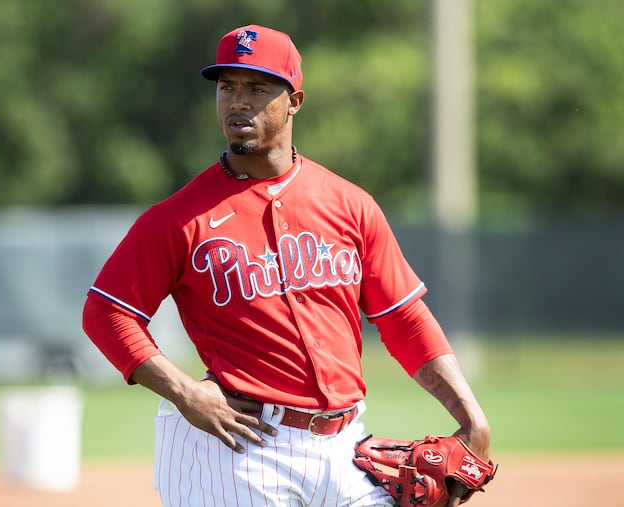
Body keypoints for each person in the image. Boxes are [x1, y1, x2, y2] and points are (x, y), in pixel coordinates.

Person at [82, 24, 491, 507]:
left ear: (294, 100)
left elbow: (402, 316)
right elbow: (106, 313)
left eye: (257, 88)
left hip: (345, 449)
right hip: (237, 448)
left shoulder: (350, 204)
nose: (238, 102)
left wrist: (471, 416)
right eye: (226, 87)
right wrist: (184, 393)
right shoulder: (177, 219)